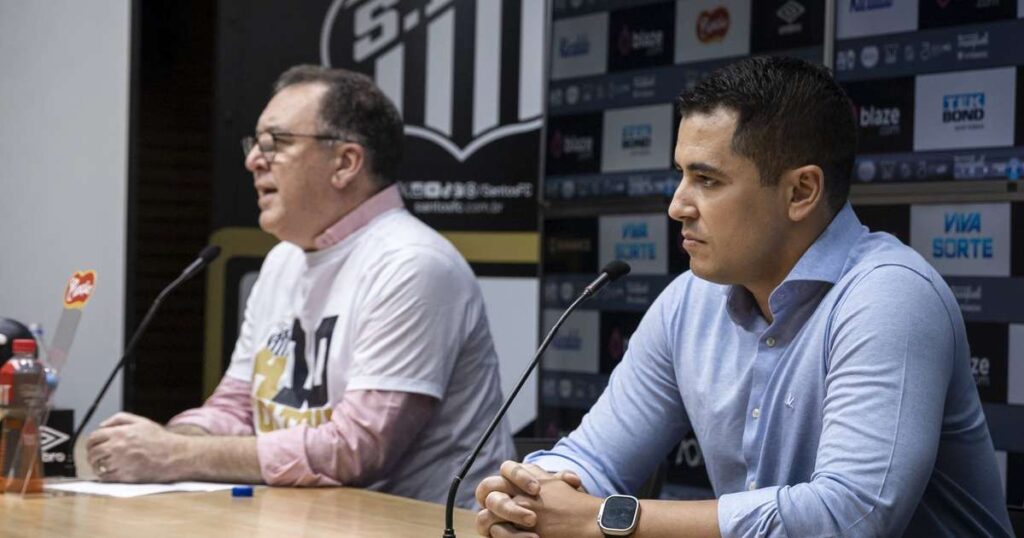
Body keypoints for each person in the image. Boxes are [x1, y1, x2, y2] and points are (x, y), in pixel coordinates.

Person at [474, 57, 1013, 537]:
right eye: (681, 175)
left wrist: (607, 518)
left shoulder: (889, 296)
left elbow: (850, 517)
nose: (677, 206)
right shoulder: (689, 301)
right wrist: (530, 494)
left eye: (707, 180)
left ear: (801, 192)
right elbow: (594, 457)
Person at [86, 65, 515, 507]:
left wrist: (175, 454)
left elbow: (356, 448)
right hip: (312, 519)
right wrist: (160, 443)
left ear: (345, 163)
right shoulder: (283, 260)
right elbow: (236, 408)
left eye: (276, 143)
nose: (253, 160)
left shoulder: (413, 264)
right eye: (256, 143)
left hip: (422, 527)